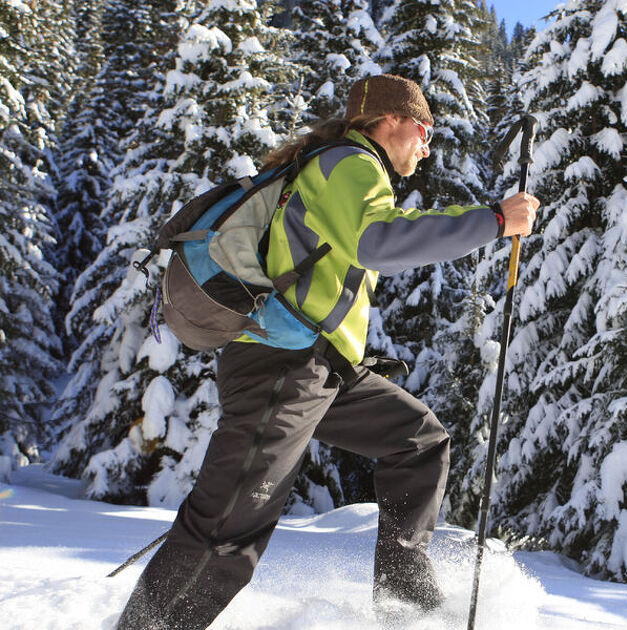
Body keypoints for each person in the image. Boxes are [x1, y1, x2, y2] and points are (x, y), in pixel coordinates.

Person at [116, 73, 540, 629]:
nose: (427, 144)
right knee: (231, 525)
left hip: (319, 368)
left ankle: (404, 607)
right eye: (424, 129)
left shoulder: (346, 168)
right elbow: (379, 241)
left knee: (417, 442)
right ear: (390, 120)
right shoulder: (349, 163)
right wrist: (492, 221)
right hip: (280, 363)